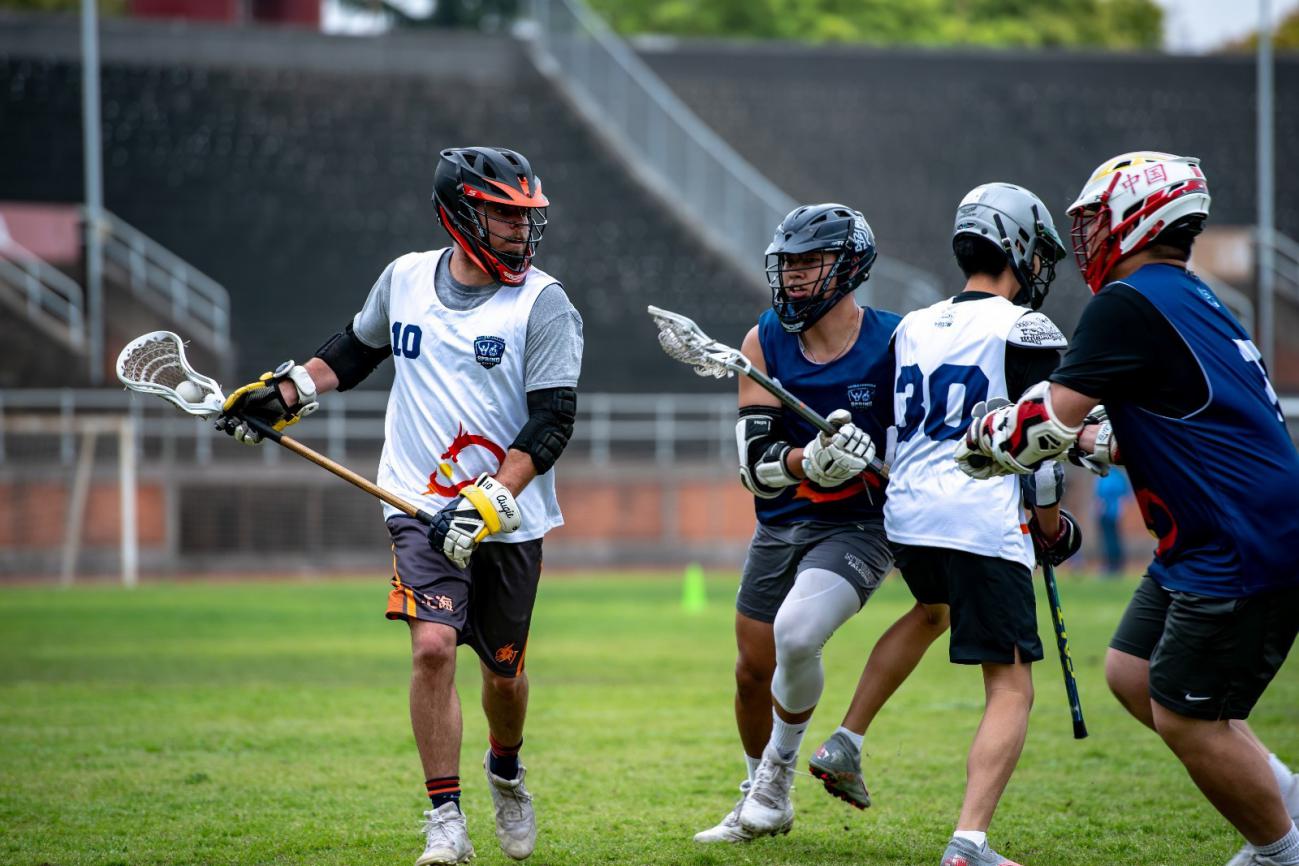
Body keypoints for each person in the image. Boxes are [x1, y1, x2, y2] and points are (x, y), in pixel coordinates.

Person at [216, 146, 583, 866]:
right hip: (415, 502)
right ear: (460, 216)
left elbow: (551, 422)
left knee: (504, 676)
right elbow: (353, 352)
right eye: (504, 216)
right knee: (432, 647)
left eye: (526, 218)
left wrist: (488, 500)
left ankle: (506, 770)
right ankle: (445, 819)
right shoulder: (405, 278)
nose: (520, 230)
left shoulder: (545, 304)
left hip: (507, 518)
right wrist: (284, 395)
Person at [956, 151, 1299, 866]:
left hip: (1237, 540)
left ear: (1139, 217)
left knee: (1185, 716)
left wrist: (988, 435)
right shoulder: (1188, 296)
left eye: (1096, 220)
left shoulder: (1129, 302)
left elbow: (1039, 424)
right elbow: (1163, 425)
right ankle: (1285, 798)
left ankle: (1279, 850)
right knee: (1130, 671)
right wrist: (1082, 439)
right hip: (1218, 533)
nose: (1086, 237)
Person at [694, 203, 946, 843]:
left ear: (850, 266)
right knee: (752, 672)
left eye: (810, 262)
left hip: (858, 525)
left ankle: (775, 780)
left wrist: (880, 457)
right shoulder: (764, 340)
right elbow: (755, 467)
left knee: (797, 633)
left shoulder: (899, 342)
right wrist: (810, 460)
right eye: (789, 263)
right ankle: (757, 794)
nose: (795, 275)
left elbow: (926, 441)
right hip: (781, 522)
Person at [887, 183, 1081, 866]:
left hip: (908, 522)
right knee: (1010, 684)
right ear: (1017, 246)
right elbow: (1043, 450)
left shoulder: (911, 325)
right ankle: (968, 842)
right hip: (978, 518)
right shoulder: (1023, 329)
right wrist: (1050, 528)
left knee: (931, 611)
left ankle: (848, 736)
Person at [1094, 468, 1129, 575]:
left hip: (1110, 512)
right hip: (1110, 512)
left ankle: (1113, 565)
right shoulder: (1116, 476)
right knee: (1110, 539)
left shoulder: (1110, 476)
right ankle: (1113, 564)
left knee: (1111, 539)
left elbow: (1102, 495)